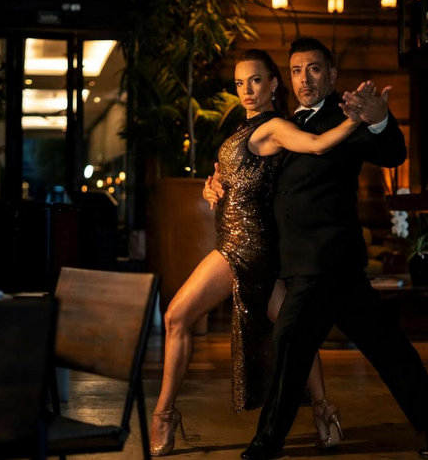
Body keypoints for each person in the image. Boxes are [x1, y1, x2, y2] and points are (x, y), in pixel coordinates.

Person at [207, 37, 428, 460]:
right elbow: (255, 182)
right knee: (385, 345)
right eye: (296, 70)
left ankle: (267, 442)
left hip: (323, 260)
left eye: (313, 69)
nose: (304, 79)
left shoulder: (346, 117)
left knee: (289, 340)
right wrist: (216, 185)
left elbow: (392, 152)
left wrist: (379, 119)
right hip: (314, 265)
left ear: (331, 75)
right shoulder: (285, 124)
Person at [149, 49, 367, 457]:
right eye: (239, 82)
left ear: (273, 84)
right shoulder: (242, 127)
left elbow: (318, 144)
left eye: (255, 80)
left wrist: (356, 119)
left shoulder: (275, 127)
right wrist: (212, 186)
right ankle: (324, 411)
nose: (246, 90)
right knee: (294, 332)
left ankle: (164, 414)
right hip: (244, 244)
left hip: (245, 247)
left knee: (176, 316)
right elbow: (234, 176)